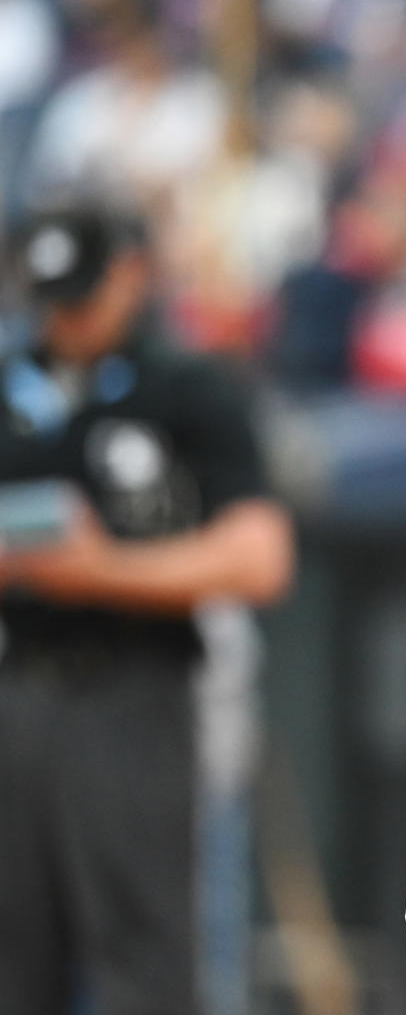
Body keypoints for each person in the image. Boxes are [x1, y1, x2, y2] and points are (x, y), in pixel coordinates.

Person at [0, 203, 294, 1014]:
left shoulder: (186, 386)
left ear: (130, 275)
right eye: (50, 299)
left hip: (138, 690)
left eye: (82, 297)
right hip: (16, 686)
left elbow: (260, 556)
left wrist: (101, 570)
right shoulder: (11, 383)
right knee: (15, 957)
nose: (65, 319)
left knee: (148, 956)